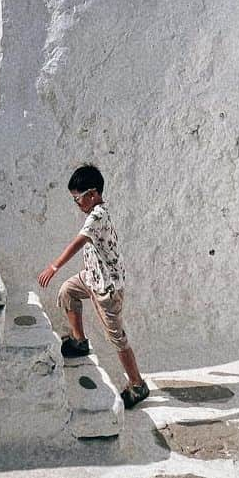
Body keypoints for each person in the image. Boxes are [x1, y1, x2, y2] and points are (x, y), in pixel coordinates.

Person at [37, 163, 149, 409]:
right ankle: (79, 341)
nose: (76, 204)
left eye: (78, 199)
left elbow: (79, 241)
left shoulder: (99, 215)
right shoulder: (93, 213)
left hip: (107, 289)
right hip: (90, 278)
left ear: (93, 194)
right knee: (67, 291)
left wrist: (54, 266)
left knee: (116, 338)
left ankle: (138, 384)